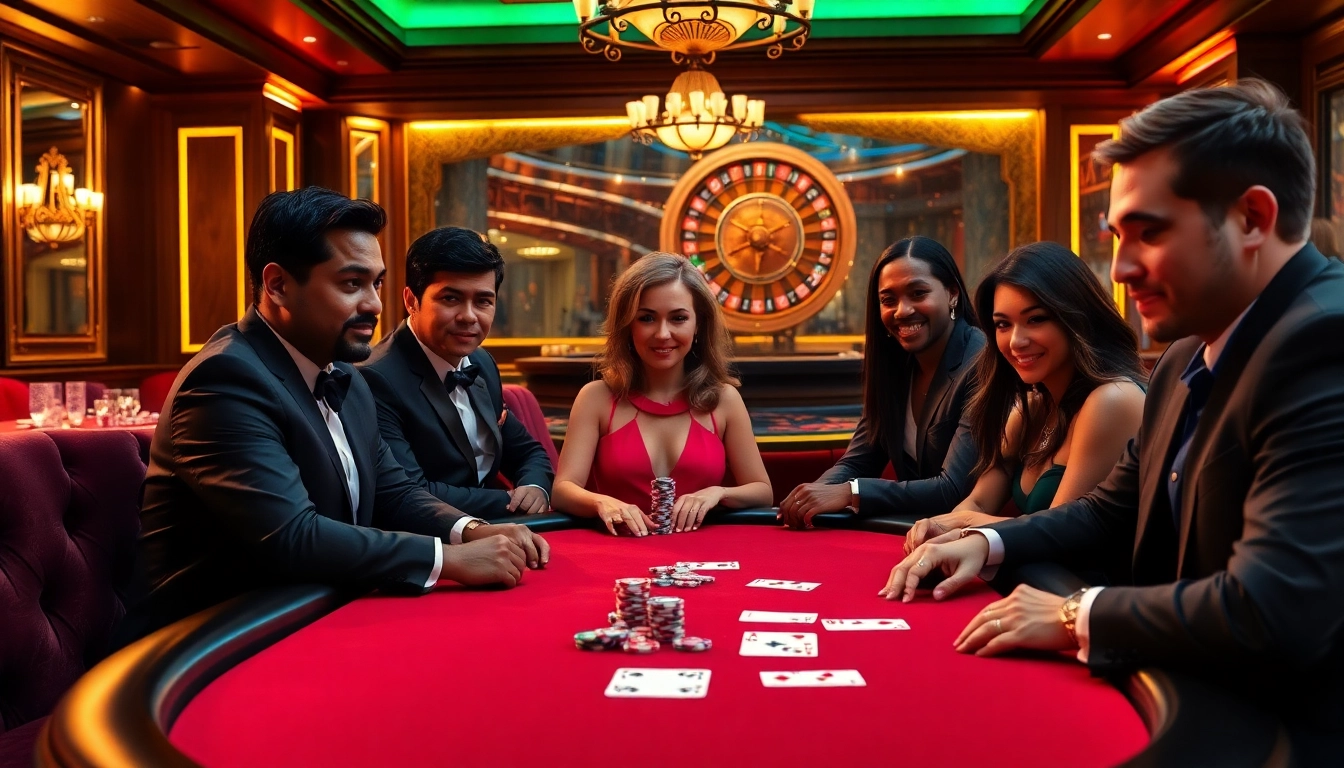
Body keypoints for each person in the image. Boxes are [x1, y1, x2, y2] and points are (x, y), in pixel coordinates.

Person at [881, 81, 1344, 762]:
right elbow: (1109, 509)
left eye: (1148, 233)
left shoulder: (1323, 344)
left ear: (1252, 217)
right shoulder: (1190, 349)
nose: (1121, 268)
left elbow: (1270, 608)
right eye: (1118, 236)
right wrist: (985, 544)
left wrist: (1077, 614)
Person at [121, 188, 549, 642]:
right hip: (203, 645)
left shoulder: (345, 372)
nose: (374, 305)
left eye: (376, 283)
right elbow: (291, 536)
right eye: (351, 284)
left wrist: (470, 530)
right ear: (278, 285)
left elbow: (397, 493)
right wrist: (446, 559)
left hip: (312, 612)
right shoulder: (225, 378)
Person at [902, 242, 1145, 552]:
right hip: (1038, 580)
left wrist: (963, 524)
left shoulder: (1112, 400)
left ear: (1077, 317)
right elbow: (977, 500)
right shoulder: (1033, 406)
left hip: (1096, 593)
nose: (1016, 341)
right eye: (1003, 324)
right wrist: (936, 532)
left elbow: (1056, 533)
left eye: (1036, 319)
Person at [552, 253, 772, 535]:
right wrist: (601, 502)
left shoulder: (724, 399)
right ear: (627, 324)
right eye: (647, 318)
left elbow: (763, 491)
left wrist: (718, 493)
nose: (663, 333)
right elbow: (563, 490)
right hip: (618, 556)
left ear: (698, 325)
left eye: (678, 318)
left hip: (702, 561)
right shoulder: (596, 397)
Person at [778, 237, 984, 528]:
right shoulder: (894, 364)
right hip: (913, 534)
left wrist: (851, 492)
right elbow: (858, 461)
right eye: (888, 300)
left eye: (918, 293)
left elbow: (952, 488)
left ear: (952, 293)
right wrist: (810, 497)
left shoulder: (981, 362)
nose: (902, 310)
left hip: (973, 542)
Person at [361, 227, 554, 520]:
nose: (469, 316)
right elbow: (411, 491)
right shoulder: (376, 379)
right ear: (412, 301)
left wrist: (535, 486)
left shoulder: (482, 363)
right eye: (451, 299)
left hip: (500, 532)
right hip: (428, 542)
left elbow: (529, 452)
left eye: (483, 301)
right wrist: (509, 501)